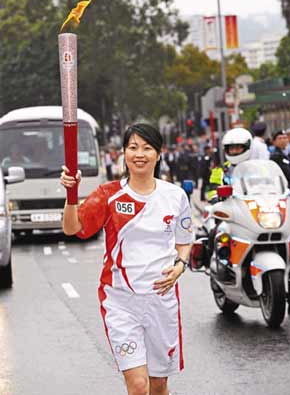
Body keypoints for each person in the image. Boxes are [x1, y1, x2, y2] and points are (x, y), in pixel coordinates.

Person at [60, 123, 193, 395]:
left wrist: (180, 266)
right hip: (121, 301)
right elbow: (72, 228)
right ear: (124, 153)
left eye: (146, 148)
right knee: (139, 386)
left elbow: (184, 240)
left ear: (159, 154)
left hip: (161, 301)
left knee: (158, 385)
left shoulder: (175, 196)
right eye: (133, 148)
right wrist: (70, 195)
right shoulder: (109, 195)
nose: (139, 154)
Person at [207, 128, 290, 315]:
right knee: (215, 233)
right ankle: (218, 268)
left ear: (248, 148)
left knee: (289, 240)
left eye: (238, 148)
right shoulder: (220, 169)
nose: (234, 152)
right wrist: (215, 197)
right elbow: (211, 189)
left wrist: (286, 195)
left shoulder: (262, 168)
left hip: (255, 213)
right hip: (231, 211)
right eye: (231, 149)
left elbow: (274, 187)